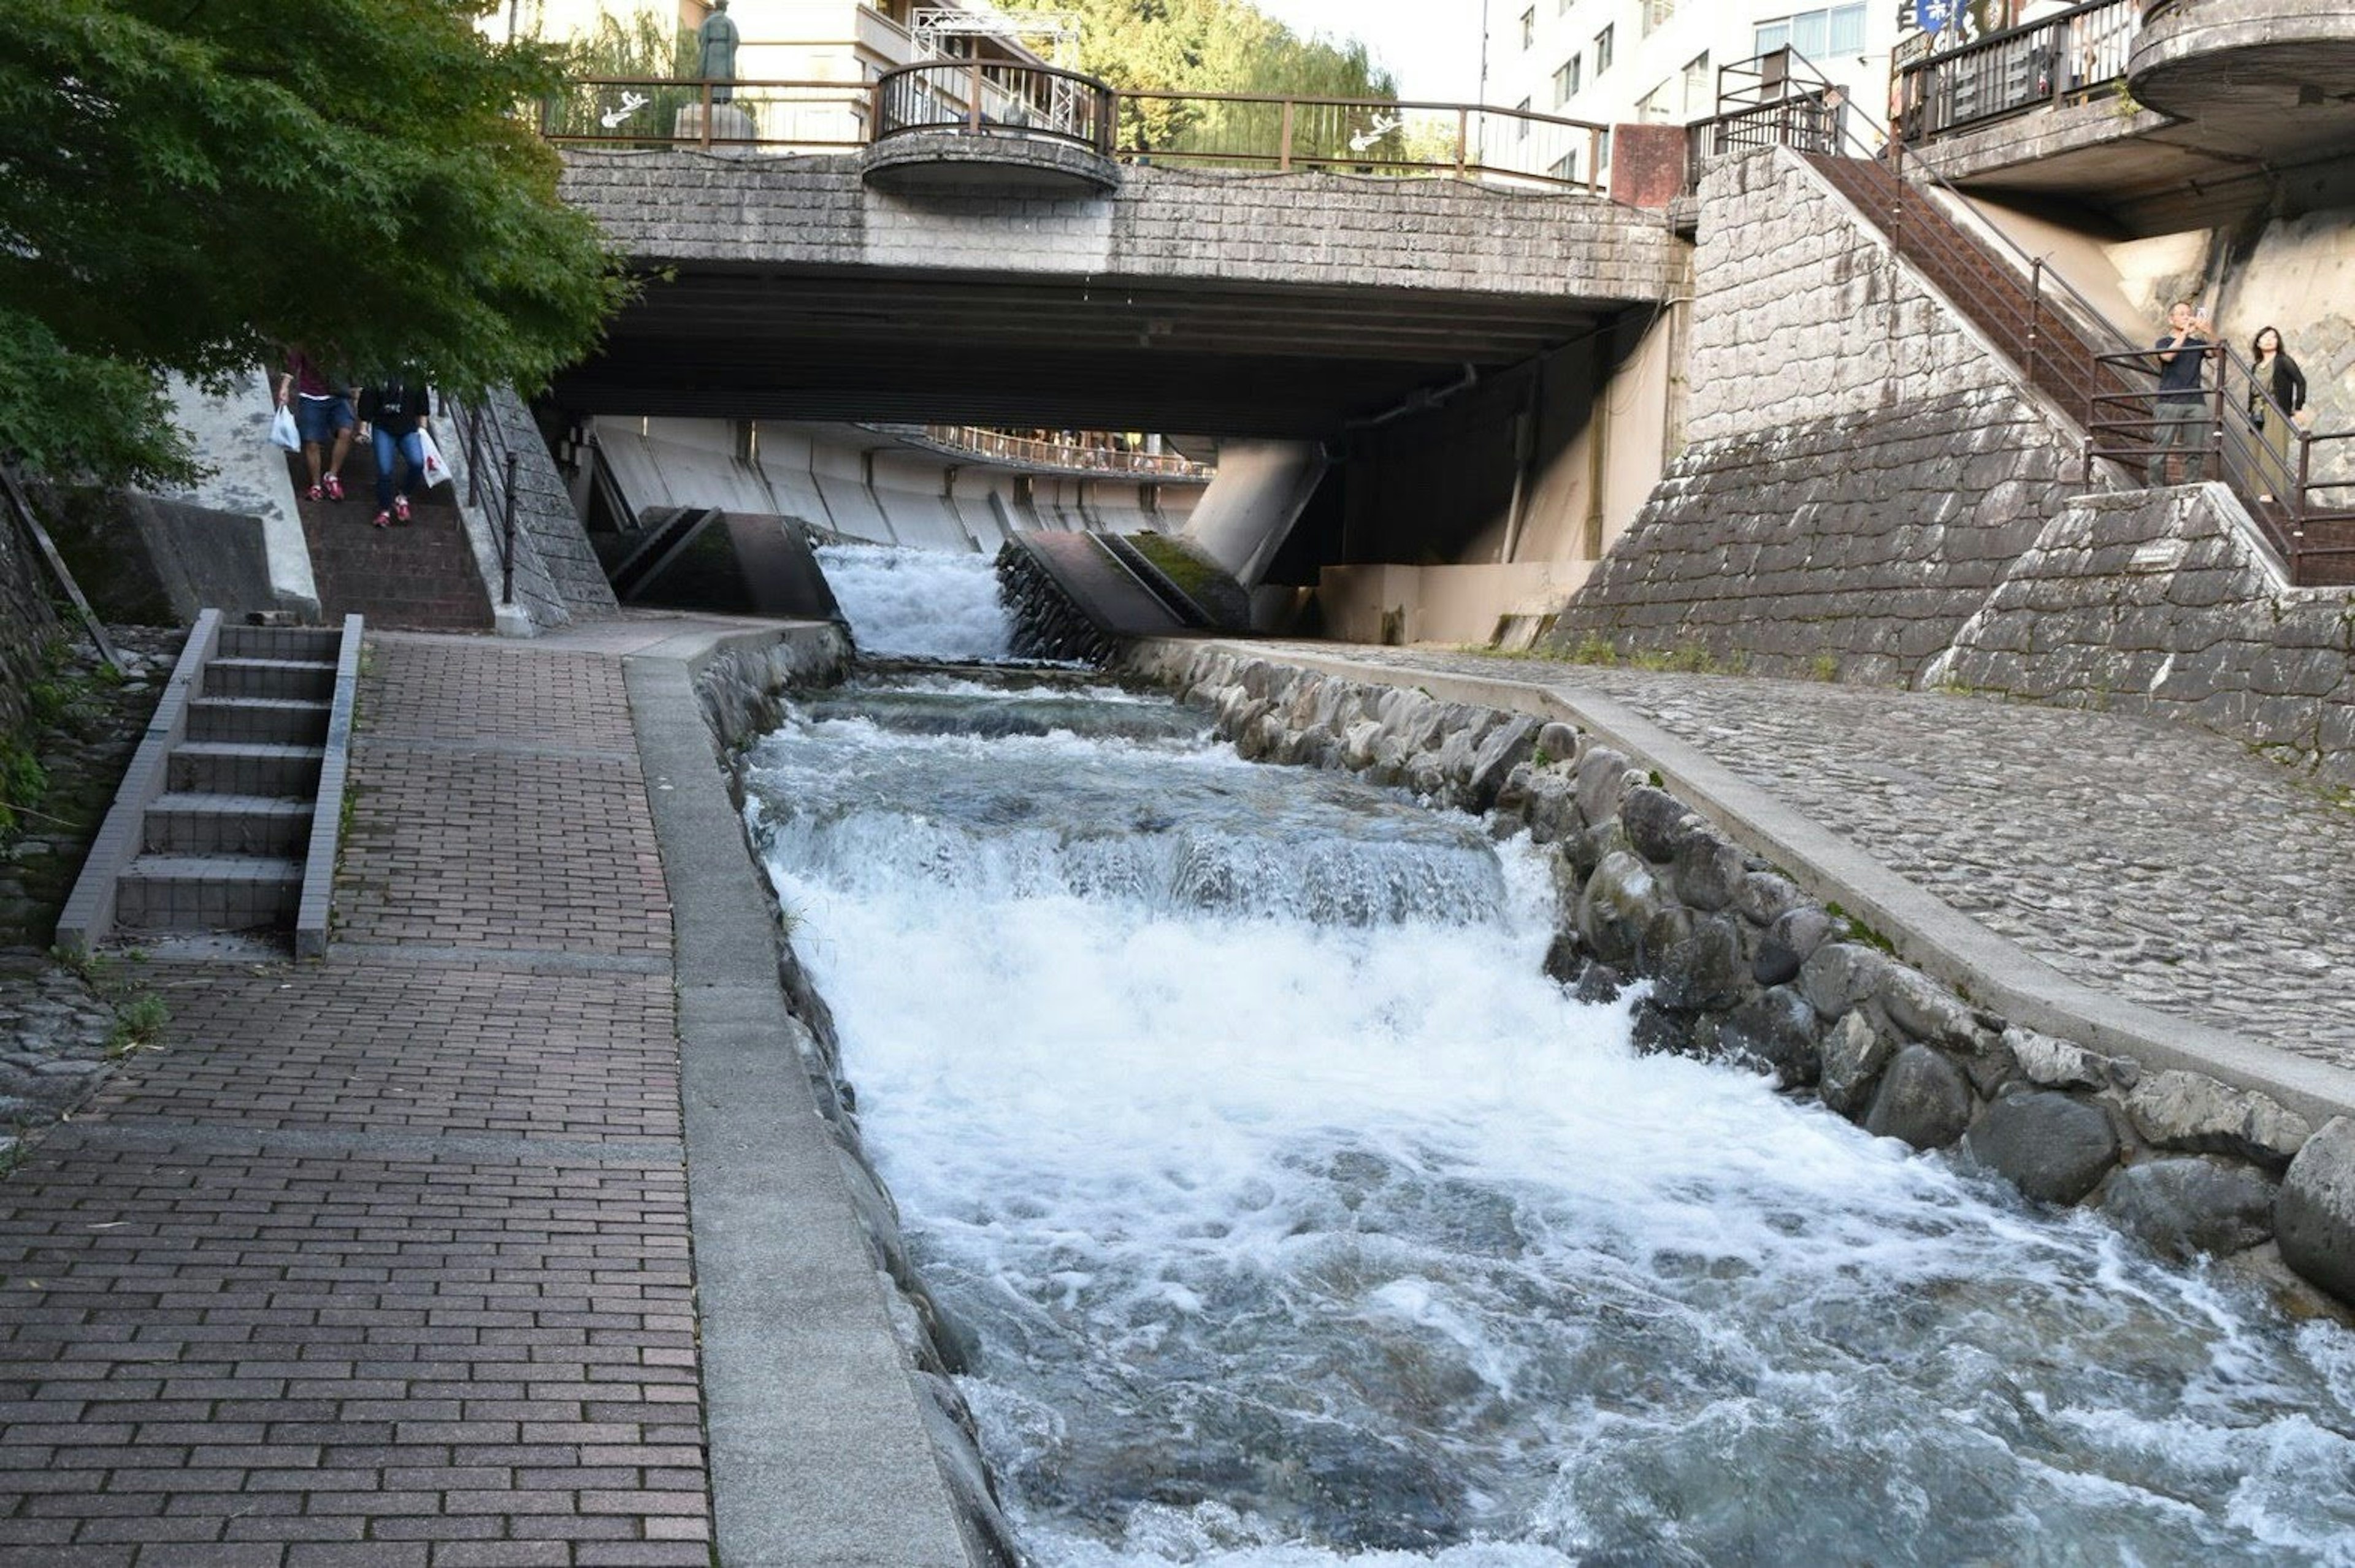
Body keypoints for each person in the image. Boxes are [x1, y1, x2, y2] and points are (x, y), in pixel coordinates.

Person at [275, 346, 357, 503]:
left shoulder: (343, 337)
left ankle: (332, 476)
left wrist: (355, 393)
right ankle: (316, 485)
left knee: (346, 431)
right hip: (311, 396)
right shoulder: (308, 337)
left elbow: (352, 366)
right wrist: (285, 387)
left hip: (337, 394)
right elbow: (293, 363)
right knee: (312, 441)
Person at [2146, 299, 2213, 487]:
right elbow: (2168, 356)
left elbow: (2216, 352)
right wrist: (2185, 333)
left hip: (2196, 401)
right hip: (2169, 400)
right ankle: (2155, 486)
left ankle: (2192, 484)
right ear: (2171, 319)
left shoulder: (2198, 344)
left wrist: (2208, 331)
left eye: (2188, 314)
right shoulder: (2164, 341)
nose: (2186, 317)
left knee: (2195, 448)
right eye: (2181, 314)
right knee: (2161, 446)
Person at [356, 372, 433, 529]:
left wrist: (423, 432)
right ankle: (384, 510)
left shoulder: (414, 376)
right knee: (385, 470)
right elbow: (367, 403)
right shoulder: (378, 374)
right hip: (383, 427)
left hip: (408, 428)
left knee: (417, 462)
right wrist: (363, 429)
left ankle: (402, 497)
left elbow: (422, 407)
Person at [2246, 325, 2307, 503]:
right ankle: (2253, 491)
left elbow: (2301, 382)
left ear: (2278, 341)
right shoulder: (2256, 366)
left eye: (2273, 337)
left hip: (2276, 409)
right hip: (2258, 411)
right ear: (2258, 343)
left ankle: (2269, 492)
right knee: (2255, 449)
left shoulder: (2283, 361)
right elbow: (2252, 392)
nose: (2269, 340)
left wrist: (2298, 407)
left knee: (2273, 450)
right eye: (2264, 337)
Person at [697, 0, 740, 104]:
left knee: (711, 76)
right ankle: (722, 97)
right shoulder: (728, 22)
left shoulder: (708, 22)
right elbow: (735, 39)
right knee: (723, 76)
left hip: (710, 50)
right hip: (724, 51)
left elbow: (701, 37)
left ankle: (710, 95)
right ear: (725, 7)